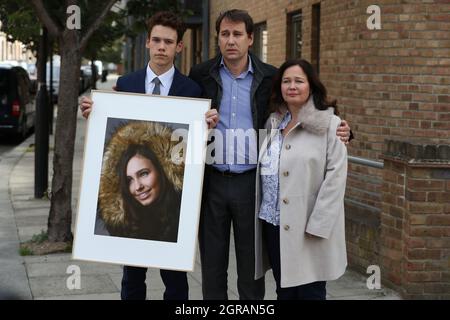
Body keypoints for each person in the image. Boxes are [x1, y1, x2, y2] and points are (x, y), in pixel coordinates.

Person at [188, 9, 351, 300]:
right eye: (225, 34)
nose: (231, 40)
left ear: (251, 38)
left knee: (252, 267)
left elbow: (303, 112)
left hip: (252, 184)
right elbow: (178, 118)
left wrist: (343, 130)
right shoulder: (201, 75)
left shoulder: (270, 76)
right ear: (218, 38)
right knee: (212, 266)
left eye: (238, 34)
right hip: (212, 181)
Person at [79, 11, 218, 301]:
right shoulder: (126, 83)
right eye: (156, 40)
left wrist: (207, 128)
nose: (161, 47)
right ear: (147, 43)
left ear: (179, 46)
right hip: (136, 201)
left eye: (168, 42)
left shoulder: (192, 90)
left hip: (172, 200)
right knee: (132, 276)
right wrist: (95, 111)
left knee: (176, 278)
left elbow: (193, 149)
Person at [254, 59, 348, 300]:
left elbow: (336, 178)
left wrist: (319, 224)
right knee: (283, 291)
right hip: (273, 225)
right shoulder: (273, 123)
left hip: (308, 227)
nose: (292, 86)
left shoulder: (330, 125)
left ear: (311, 87)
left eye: (298, 81)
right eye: (286, 81)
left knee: (310, 293)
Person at [98, 122, 184, 243]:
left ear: (162, 171)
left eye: (143, 174)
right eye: (129, 180)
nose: (138, 187)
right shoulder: (125, 223)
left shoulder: (185, 212)